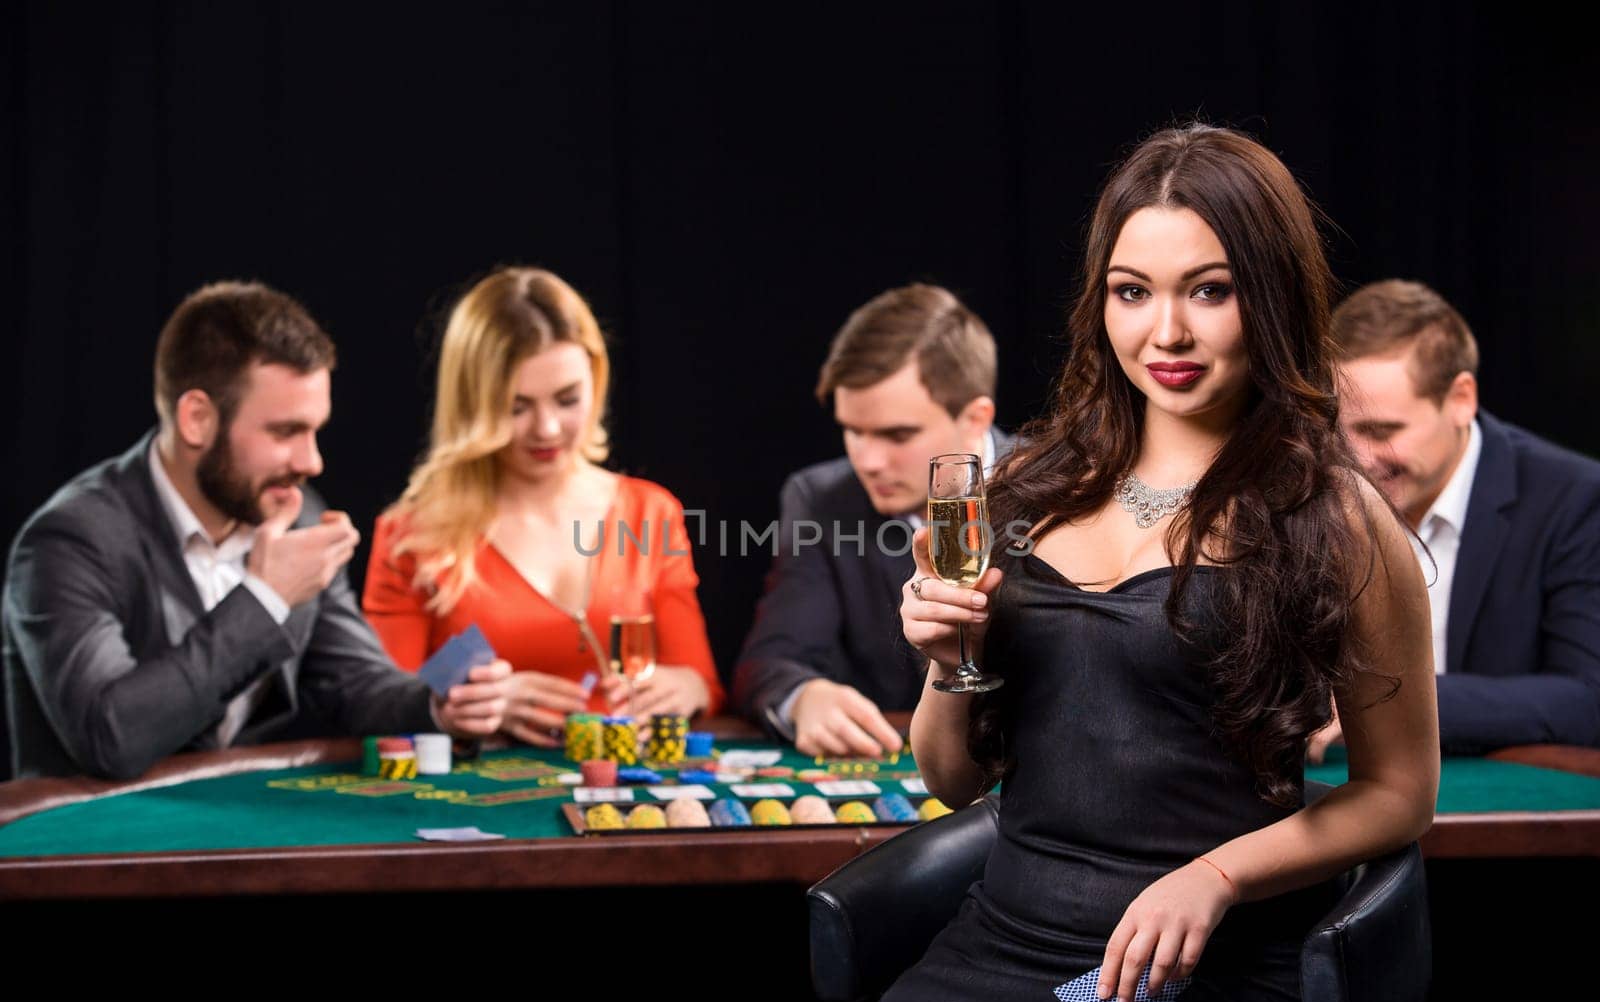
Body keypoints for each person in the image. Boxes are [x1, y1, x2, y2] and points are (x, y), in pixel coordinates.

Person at [842, 125, 1439, 1002]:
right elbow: (953, 781)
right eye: (1133, 291)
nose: (1165, 332)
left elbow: (1400, 794)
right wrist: (946, 664)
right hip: (1003, 942)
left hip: (1205, 960)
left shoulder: (1336, 517)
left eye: (1210, 290)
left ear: (1272, 295)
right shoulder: (1027, 487)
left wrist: (1218, 876)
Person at [2, 281, 509, 780]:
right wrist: (266, 598)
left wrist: (440, 707)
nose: (312, 461)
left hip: (237, 839)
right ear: (197, 419)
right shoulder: (69, 540)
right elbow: (109, 736)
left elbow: (354, 681)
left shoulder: (296, 512)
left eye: (315, 430)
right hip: (92, 847)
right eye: (285, 431)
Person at [363, 267, 723, 747]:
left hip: (625, 791)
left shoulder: (650, 511)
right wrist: (469, 704)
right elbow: (383, 704)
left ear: (597, 381)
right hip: (472, 802)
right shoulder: (412, 533)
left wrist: (686, 688)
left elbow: (702, 681)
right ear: (473, 405)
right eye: (517, 407)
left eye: (567, 399)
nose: (547, 429)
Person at [1312, 279, 1600, 757]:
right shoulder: (1313, 489)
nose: (1355, 459)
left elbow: (1588, 700)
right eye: (1339, 431)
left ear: (1461, 399)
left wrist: (1382, 697)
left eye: (1381, 430)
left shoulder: (1575, 499)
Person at [733, 283, 1010, 757]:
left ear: (975, 418)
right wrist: (804, 698)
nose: (869, 461)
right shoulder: (820, 499)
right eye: (853, 431)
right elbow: (771, 661)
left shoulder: (1062, 490)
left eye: (897, 434)